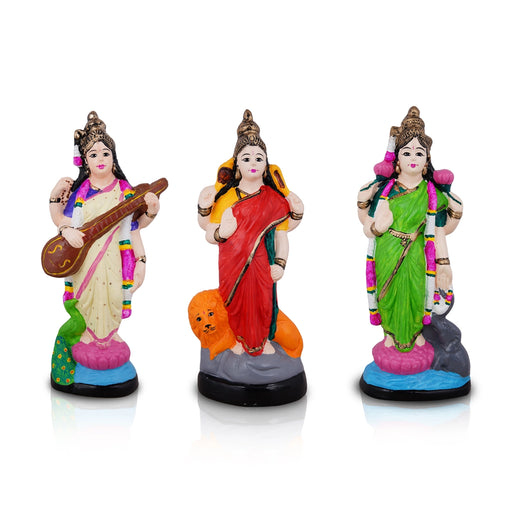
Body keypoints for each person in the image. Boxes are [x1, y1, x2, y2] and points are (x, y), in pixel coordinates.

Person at [191, 109, 306, 406]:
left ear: (266, 164)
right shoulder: (227, 197)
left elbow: (282, 235)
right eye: (246, 158)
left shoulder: (274, 199)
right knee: (235, 304)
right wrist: (221, 229)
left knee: (263, 303)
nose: (253, 162)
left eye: (259, 157)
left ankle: (263, 341)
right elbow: (209, 231)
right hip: (232, 266)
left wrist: (280, 263)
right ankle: (238, 342)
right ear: (236, 165)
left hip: (262, 265)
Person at [358, 106, 470, 399]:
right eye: (406, 152)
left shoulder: (432, 193)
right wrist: (377, 225)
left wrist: (444, 264)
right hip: (388, 250)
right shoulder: (386, 190)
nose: (412, 157)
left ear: (426, 160)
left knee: (417, 292)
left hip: (418, 252)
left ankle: (417, 337)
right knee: (388, 294)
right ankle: (390, 336)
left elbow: (444, 227)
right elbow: (367, 225)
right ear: (396, 160)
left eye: (419, 153)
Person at [48, 111, 160, 397]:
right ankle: (87, 337)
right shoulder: (81, 192)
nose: (100, 158)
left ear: (114, 158)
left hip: (115, 257)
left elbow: (134, 226)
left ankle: (109, 336)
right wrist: (61, 218)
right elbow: (64, 221)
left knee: (112, 296)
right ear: (84, 161)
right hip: (85, 261)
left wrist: (151, 213)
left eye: (105, 153)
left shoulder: (124, 190)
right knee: (87, 297)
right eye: (93, 154)